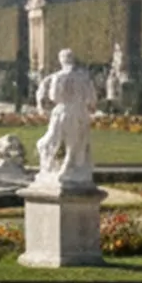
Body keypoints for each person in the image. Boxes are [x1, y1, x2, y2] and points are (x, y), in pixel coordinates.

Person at [32, 48, 98, 189]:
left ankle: (55, 168)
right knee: (77, 144)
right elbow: (92, 99)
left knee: (53, 140)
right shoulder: (84, 77)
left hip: (64, 112)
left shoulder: (58, 77)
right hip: (81, 112)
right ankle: (71, 169)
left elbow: (54, 96)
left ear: (61, 60)